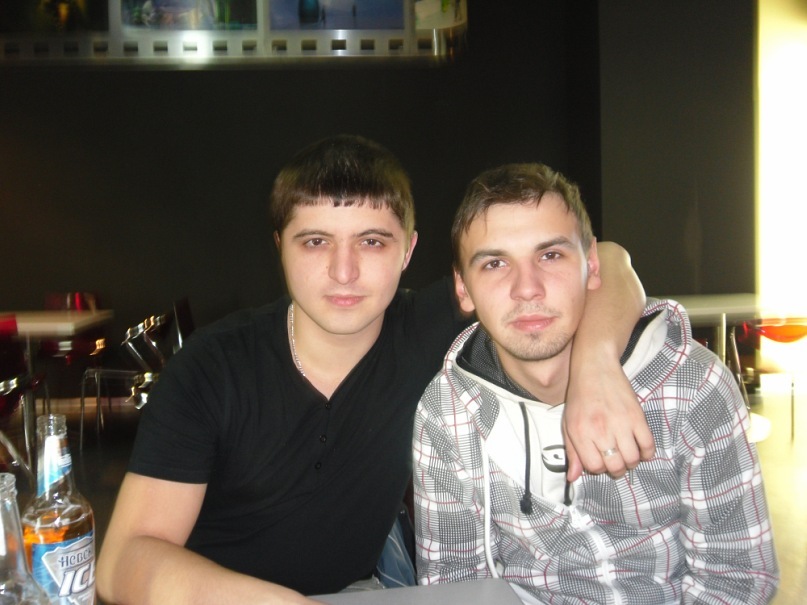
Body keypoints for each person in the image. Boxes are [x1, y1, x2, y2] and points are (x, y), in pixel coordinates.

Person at [96, 136, 650, 604]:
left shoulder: (427, 329)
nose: (344, 271)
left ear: (407, 250)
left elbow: (609, 258)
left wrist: (597, 366)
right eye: (316, 241)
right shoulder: (213, 367)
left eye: (372, 241)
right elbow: (123, 560)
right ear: (280, 247)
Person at [413, 162, 780, 604]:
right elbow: (454, 583)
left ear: (591, 264)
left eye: (550, 255)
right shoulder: (446, 411)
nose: (527, 288)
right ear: (463, 289)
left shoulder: (691, 386)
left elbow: (736, 580)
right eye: (495, 263)